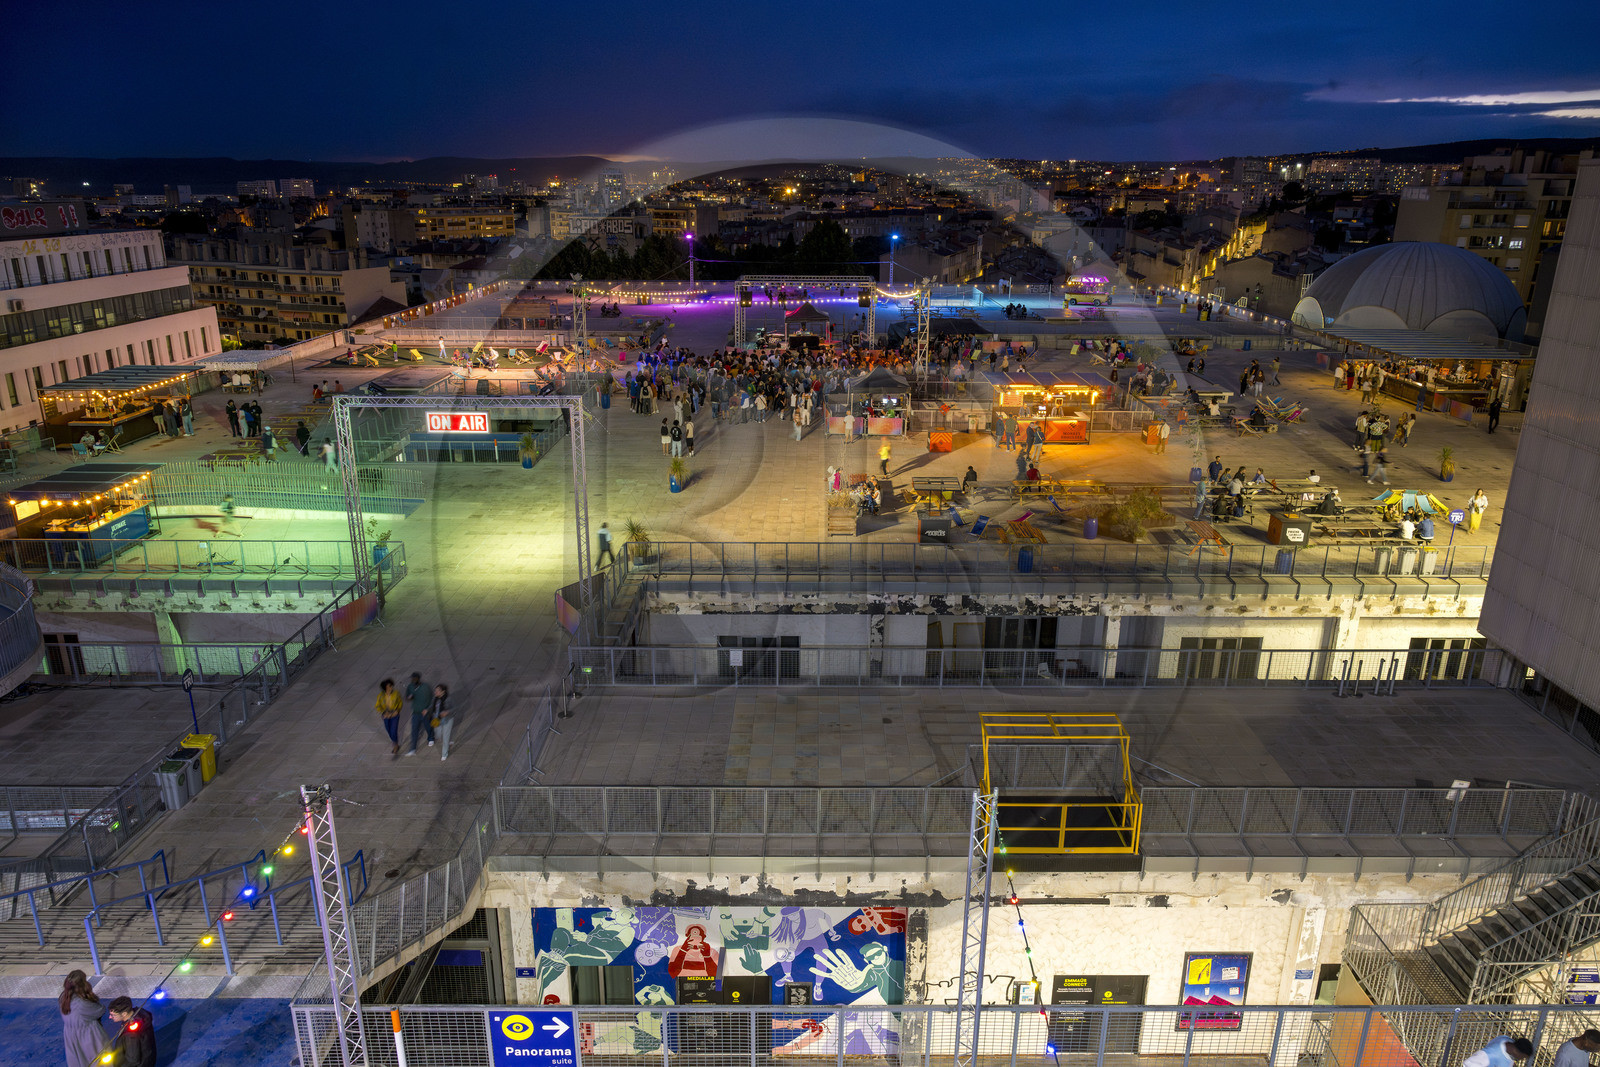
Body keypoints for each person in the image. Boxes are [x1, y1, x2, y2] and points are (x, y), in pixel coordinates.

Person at [59, 970, 107, 1067]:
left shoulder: (63, 997)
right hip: (87, 1035)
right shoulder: (81, 1004)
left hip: (70, 1034)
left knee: (78, 1060)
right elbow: (100, 1010)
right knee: (97, 1060)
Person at [106, 995, 156, 1067]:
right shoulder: (139, 1016)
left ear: (124, 1014)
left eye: (113, 1015)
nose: (110, 1017)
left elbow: (132, 1061)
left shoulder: (130, 1035)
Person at [404, 672, 434, 755]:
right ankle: (412, 748)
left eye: (414, 678)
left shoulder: (425, 687)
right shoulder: (410, 687)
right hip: (415, 713)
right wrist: (409, 697)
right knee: (414, 730)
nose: (413, 680)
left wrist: (427, 709)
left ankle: (431, 738)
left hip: (425, 712)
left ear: (418, 678)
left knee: (428, 726)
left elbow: (431, 699)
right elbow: (406, 698)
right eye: (412, 678)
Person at [1462, 1035, 1534, 1067]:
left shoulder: (1505, 1039)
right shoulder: (1490, 1055)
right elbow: (1468, 1064)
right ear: (1517, 1052)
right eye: (1523, 1057)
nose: (1522, 1059)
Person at [375, 678, 403, 756]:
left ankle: (396, 745)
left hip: (394, 714)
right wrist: (384, 712)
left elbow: (400, 702)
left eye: (391, 686)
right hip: (386, 715)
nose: (390, 688)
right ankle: (395, 741)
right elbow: (377, 706)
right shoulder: (380, 696)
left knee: (393, 730)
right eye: (388, 687)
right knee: (389, 731)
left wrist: (397, 710)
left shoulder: (396, 693)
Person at [431, 683, 455, 761]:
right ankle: (448, 741)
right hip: (437, 719)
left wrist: (447, 712)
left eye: (438, 691)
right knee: (438, 734)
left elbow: (454, 709)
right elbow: (432, 706)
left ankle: (444, 754)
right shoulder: (435, 699)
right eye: (435, 691)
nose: (435, 692)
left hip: (447, 719)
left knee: (445, 737)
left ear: (443, 692)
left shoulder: (448, 699)